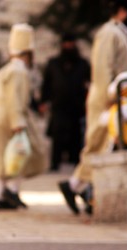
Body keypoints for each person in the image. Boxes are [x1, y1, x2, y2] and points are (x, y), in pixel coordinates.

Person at [58, 0, 127, 216]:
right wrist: (108, 99)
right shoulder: (108, 33)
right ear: (123, 10)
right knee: (100, 144)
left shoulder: (119, 33)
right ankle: (81, 188)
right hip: (109, 98)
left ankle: (81, 188)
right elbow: (103, 67)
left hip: (119, 98)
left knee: (109, 145)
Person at [0, 23, 46, 210]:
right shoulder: (19, 71)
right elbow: (15, 98)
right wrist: (18, 122)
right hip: (12, 118)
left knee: (2, 158)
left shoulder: (5, 70)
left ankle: (0, 196)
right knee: (20, 155)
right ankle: (12, 190)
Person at [40, 33, 90, 171]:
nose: (68, 46)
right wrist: (44, 101)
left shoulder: (82, 64)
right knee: (57, 134)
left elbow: (90, 83)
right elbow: (46, 84)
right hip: (59, 105)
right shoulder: (54, 63)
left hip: (76, 105)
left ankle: (76, 162)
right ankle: (55, 163)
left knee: (76, 134)